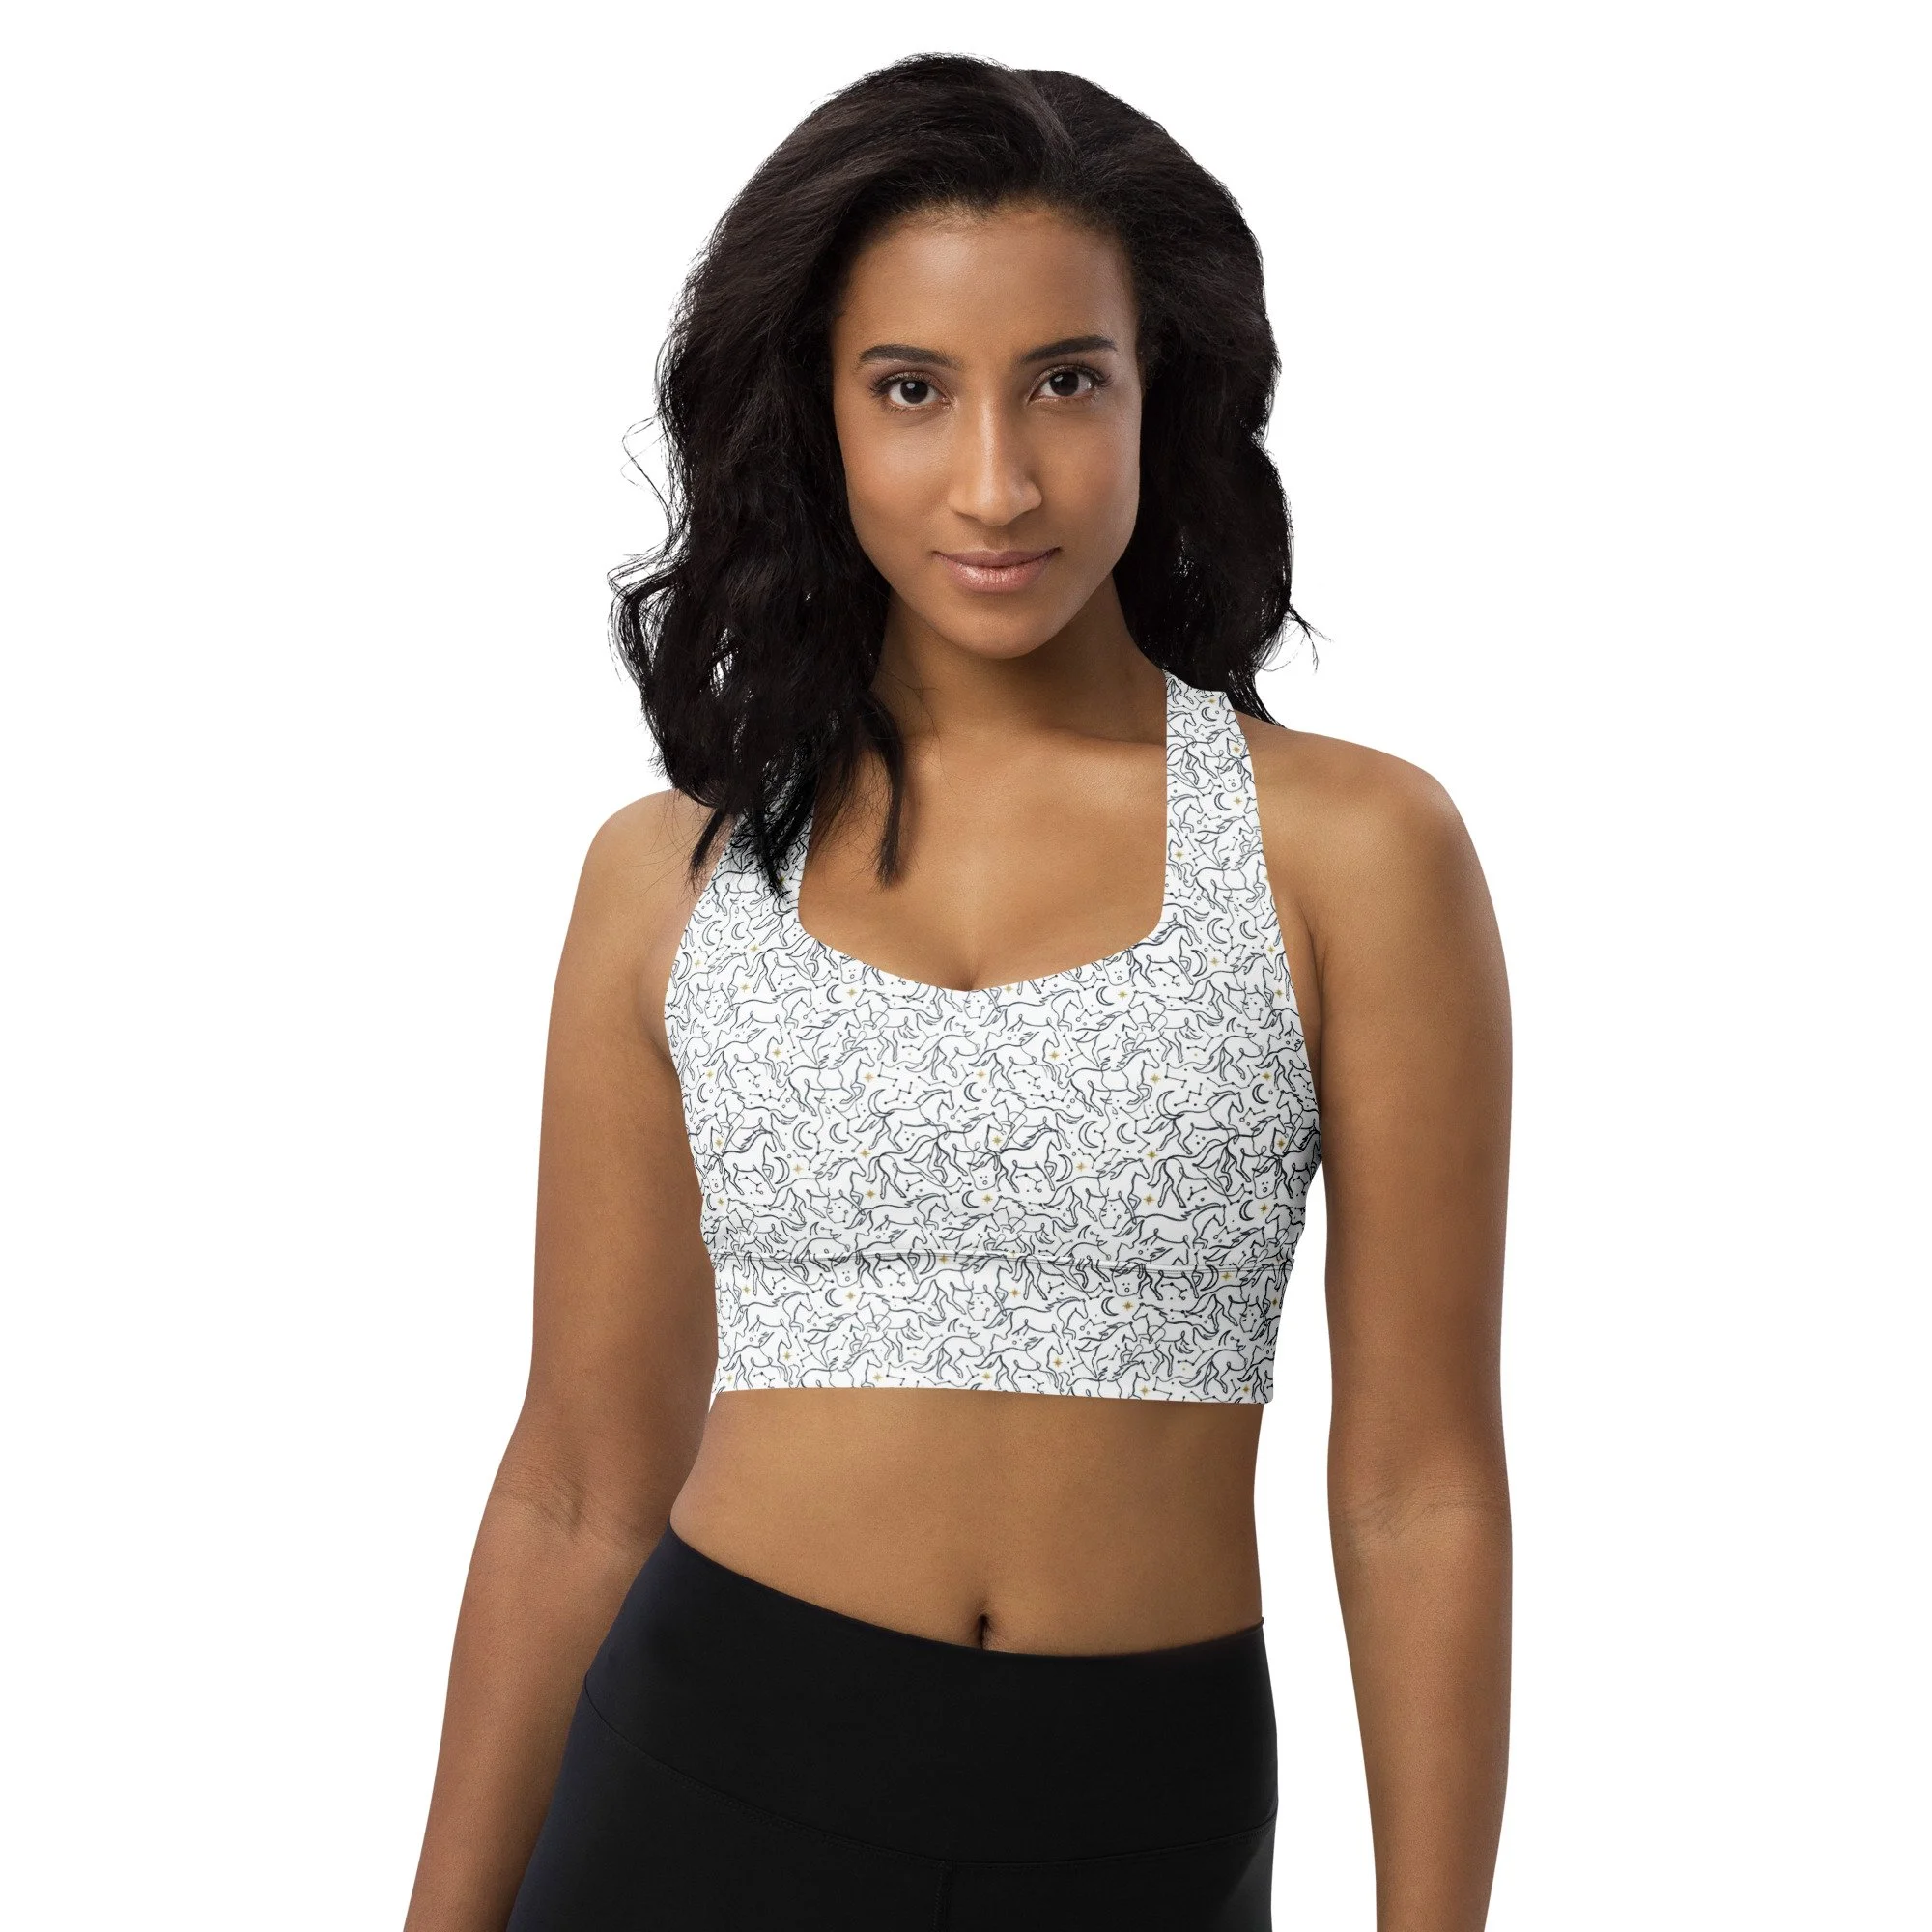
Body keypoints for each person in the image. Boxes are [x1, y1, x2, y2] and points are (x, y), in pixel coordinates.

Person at [403, 52, 1512, 1932]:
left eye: (1066, 382)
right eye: (910, 389)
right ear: (818, 411)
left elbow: (1420, 1489)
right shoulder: (667, 879)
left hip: (1139, 1828)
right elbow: (579, 1483)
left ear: (1163, 391)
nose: (996, 483)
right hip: (702, 1785)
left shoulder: (1353, 853)